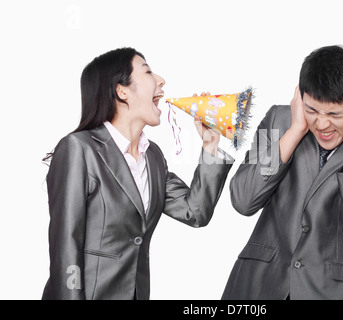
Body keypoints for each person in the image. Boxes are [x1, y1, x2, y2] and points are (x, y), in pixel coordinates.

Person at [222, 45, 343, 300]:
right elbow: (244, 200)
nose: (322, 124)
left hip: (334, 293)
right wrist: (294, 132)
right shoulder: (278, 119)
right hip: (258, 287)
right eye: (312, 110)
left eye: (335, 114)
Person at [42, 47, 234, 300]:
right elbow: (66, 246)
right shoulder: (79, 149)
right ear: (122, 91)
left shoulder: (152, 156)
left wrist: (209, 145)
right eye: (148, 71)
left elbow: (195, 212)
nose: (161, 80)